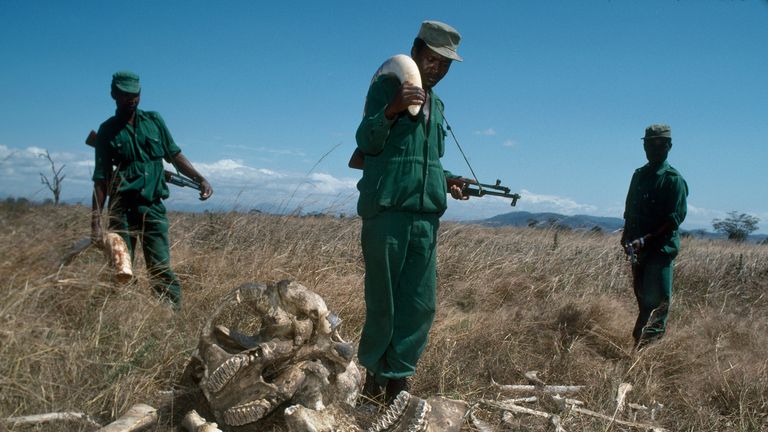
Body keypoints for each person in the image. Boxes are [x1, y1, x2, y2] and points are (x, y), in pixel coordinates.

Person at [355, 21, 471, 403]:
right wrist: (393, 108)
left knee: (420, 304)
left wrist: (448, 179)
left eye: (445, 64)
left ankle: (398, 378)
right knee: (383, 299)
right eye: (432, 59)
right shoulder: (387, 87)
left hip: (425, 218)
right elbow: (366, 142)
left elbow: (427, 159)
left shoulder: (437, 105)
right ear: (416, 50)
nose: (437, 69)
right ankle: (371, 375)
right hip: (387, 211)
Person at [91, 71, 213, 310]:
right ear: (114, 94)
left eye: (135, 94)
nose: (132, 100)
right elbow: (101, 179)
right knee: (121, 268)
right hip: (121, 210)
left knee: (160, 268)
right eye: (126, 94)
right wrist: (95, 223)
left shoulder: (154, 121)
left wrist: (200, 179)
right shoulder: (107, 130)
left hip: (153, 208)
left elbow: (174, 155)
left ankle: (170, 317)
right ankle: (117, 316)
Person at [621, 124, 688, 349]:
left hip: (660, 250)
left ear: (669, 146)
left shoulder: (672, 180)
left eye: (660, 144)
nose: (654, 149)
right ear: (644, 146)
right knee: (642, 300)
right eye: (650, 144)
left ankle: (649, 356)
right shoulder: (639, 175)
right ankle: (637, 348)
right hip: (637, 249)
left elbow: (673, 220)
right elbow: (630, 209)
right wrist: (627, 236)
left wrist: (645, 239)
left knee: (657, 305)